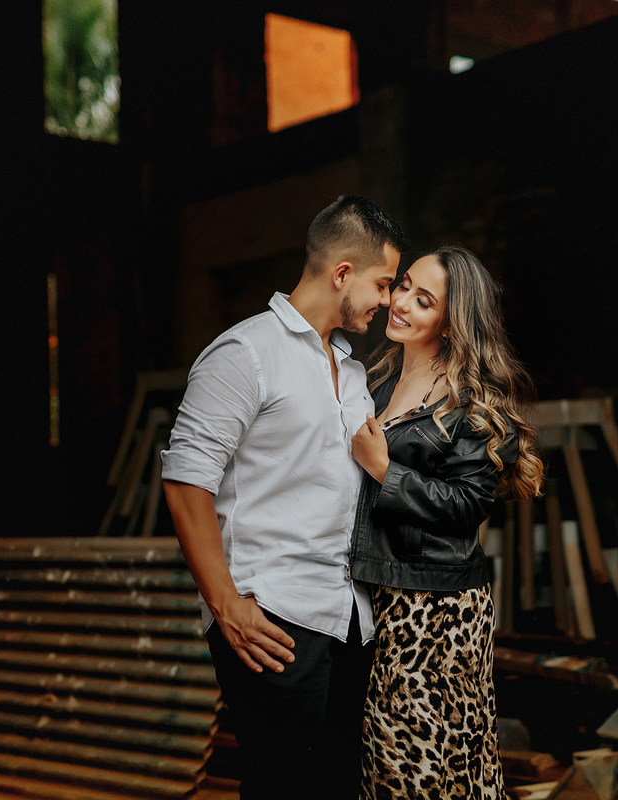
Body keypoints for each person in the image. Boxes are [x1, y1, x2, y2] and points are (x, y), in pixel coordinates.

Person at [161, 194, 409, 800]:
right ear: (342, 273)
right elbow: (186, 479)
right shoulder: (245, 354)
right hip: (271, 617)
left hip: (350, 620)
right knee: (284, 786)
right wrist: (225, 604)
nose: (387, 301)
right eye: (382, 284)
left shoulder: (352, 372)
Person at [349, 244, 545, 799]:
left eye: (423, 299)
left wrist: (384, 470)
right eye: (404, 284)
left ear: (453, 320)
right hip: (379, 595)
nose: (401, 302)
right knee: (386, 761)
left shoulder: (471, 404)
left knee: (425, 765)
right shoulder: (377, 384)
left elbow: (467, 505)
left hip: (435, 610)